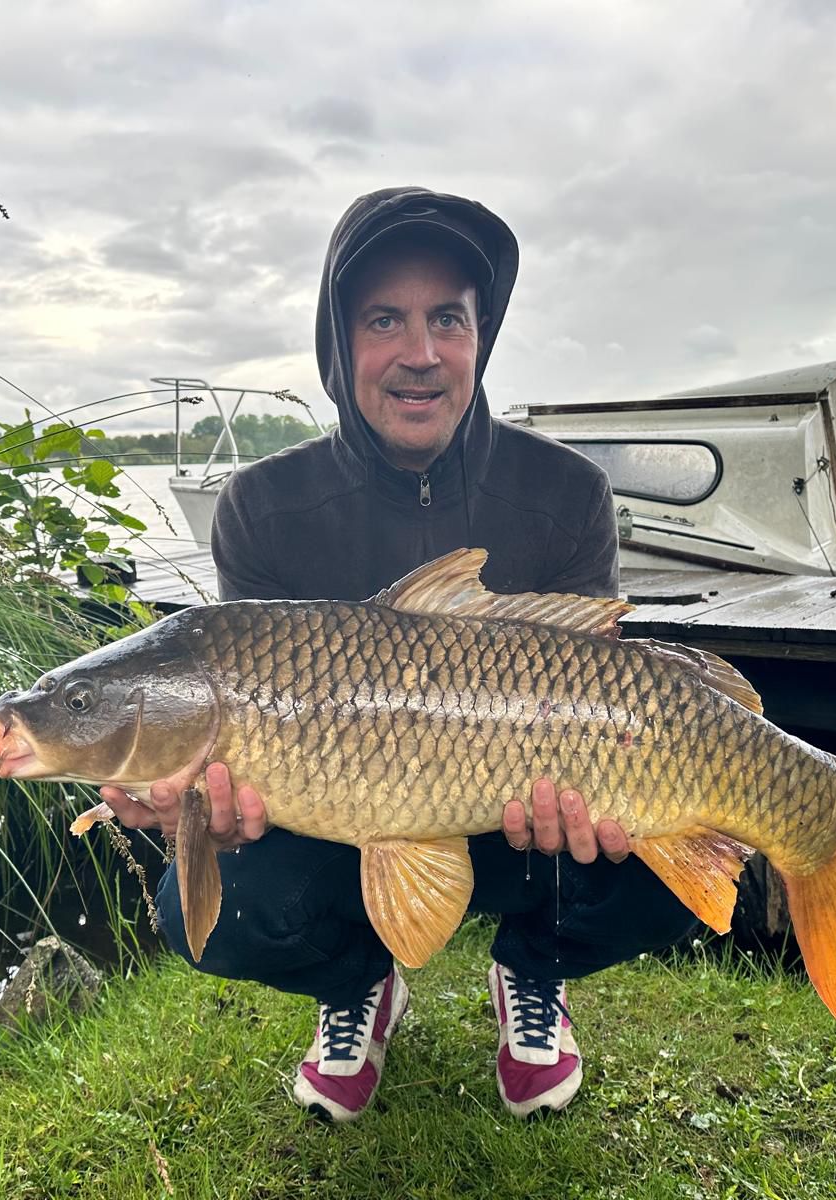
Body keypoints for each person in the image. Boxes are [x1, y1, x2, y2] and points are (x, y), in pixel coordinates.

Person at [102, 187, 701, 1122]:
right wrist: (206, 805)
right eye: (386, 319)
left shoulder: (567, 493)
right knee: (203, 911)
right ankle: (358, 986)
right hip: (339, 821)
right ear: (339, 345)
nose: (420, 354)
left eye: (447, 321)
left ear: (478, 340)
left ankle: (532, 973)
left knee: (686, 853)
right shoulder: (262, 505)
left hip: (518, 817)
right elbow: (236, 725)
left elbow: (597, 668)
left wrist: (591, 797)